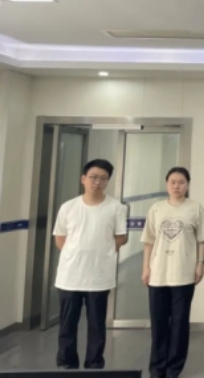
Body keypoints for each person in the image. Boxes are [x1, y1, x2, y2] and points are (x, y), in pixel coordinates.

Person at [53, 159, 127, 370]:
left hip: (99, 276)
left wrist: (101, 253)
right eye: (93, 177)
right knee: (67, 324)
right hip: (70, 276)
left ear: (107, 182)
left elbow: (121, 238)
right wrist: (77, 253)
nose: (97, 182)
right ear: (83, 179)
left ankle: (94, 364)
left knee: (97, 324)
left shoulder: (116, 207)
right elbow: (60, 239)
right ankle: (66, 364)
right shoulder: (68, 207)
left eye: (103, 178)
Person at [141, 167, 204, 378]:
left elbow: (201, 240)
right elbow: (148, 241)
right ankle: (157, 368)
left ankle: (173, 369)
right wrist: (146, 267)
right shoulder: (156, 209)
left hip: (183, 274)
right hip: (158, 274)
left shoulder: (195, 208)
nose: (176, 186)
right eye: (172, 182)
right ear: (166, 184)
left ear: (187, 185)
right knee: (158, 324)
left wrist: (200, 264)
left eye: (181, 182)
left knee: (179, 324)